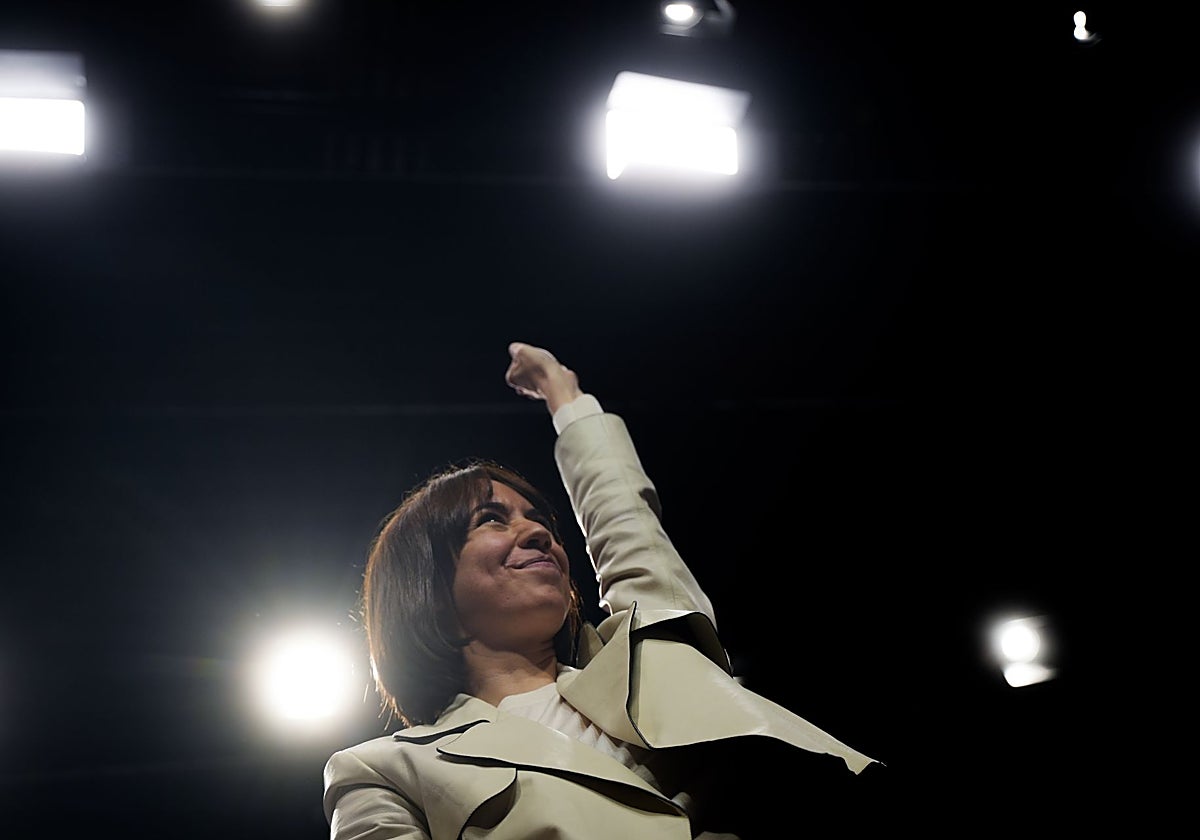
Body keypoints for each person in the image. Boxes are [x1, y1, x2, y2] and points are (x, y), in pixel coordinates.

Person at [322, 342, 883, 839]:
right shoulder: (382, 771)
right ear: (429, 591)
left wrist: (564, 395)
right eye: (491, 519)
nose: (538, 530)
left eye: (538, 516)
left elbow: (627, 528)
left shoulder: (643, 664)